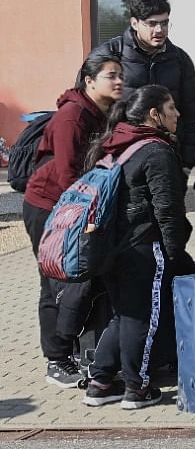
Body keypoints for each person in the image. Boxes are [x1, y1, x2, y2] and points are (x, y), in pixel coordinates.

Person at [81, 85, 195, 410]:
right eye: (171, 107)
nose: (178, 114)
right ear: (154, 114)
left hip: (111, 247)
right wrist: (174, 253)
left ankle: (101, 381)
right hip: (144, 247)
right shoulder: (156, 151)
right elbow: (168, 208)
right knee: (142, 318)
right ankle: (137, 387)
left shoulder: (114, 147)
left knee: (123, 315)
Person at [22, 56, 125, 388]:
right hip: (50, 207)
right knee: (55, 282)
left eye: (121, 75)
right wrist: (85, 221)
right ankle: (56, 359)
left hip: (76, 208)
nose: (119, 81)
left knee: (83, 280)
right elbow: (69, 177)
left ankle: (82, 352)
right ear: (89, 80)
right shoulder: (72, 116)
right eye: (112, 76)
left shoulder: (102, 113)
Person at [87, 0, 195, 169]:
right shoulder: (109, 56)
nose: (159, 30)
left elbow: (192, 115)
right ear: (134, 23)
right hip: (119, 157)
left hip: (166, 157)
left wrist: (186, 163)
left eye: (164, 23)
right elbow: (86, 109)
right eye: (152, 23)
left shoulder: (179, 59)